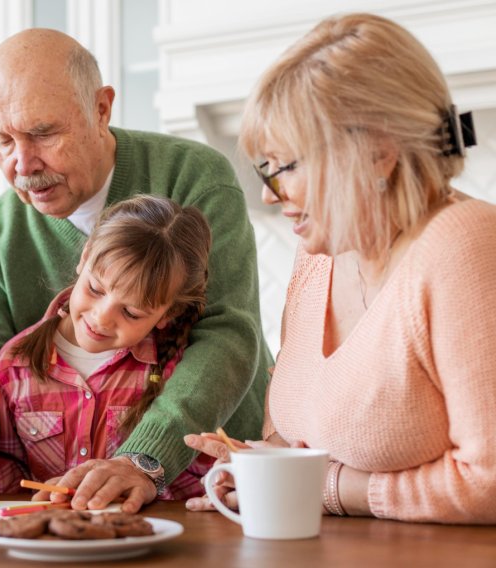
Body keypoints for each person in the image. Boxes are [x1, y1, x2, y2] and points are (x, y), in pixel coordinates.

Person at [0, 28, 272, 512]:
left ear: (101, 109)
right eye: (1, 140)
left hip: (217, 490)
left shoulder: (192, 176)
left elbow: (226, 333)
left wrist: (143, 460)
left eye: (42, 133)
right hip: (78, 500)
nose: (22, 164)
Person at [185, 13, 496, 524]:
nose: (268, 194)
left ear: (378, 152)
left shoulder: (463, 246)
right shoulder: (318, 255)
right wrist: (264, 464)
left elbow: (487, 481)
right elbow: (306, 430)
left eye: (287, 168)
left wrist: (328, 489)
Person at [0, 195, 216, 508]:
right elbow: (15, 461)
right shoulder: (17, 362)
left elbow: (197, 472)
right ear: (85, 256)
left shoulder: (179, 369)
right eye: (95, 289)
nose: (102, 317)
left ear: (167, 315)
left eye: (131, 312)